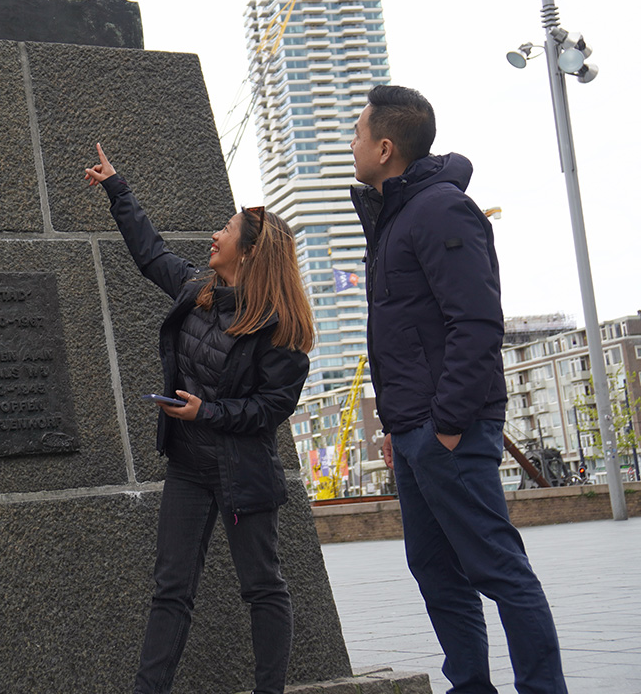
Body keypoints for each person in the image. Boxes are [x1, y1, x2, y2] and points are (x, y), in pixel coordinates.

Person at [350, 85, 567, 694]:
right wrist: (399, 428)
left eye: (358, 133)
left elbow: (474, 322)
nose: (352, 143)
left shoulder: (440, 209)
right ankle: (470, 685)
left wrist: (446, 424)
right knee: (436, 572)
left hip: (446, 428)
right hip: (414, 428)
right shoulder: (394, 217)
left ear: (386, 147)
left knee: (497, 566)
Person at [85, 144, 314, 694]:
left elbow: (271, 409)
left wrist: (204, 410)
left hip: (243, 474)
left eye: (227, 228)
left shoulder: (280, 332)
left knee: (262, 587)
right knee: (171, 588)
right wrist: (118, 187)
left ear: (250, 253)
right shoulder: (196, 292)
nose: (215, 234)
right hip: (189, 466)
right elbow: (149, 252)